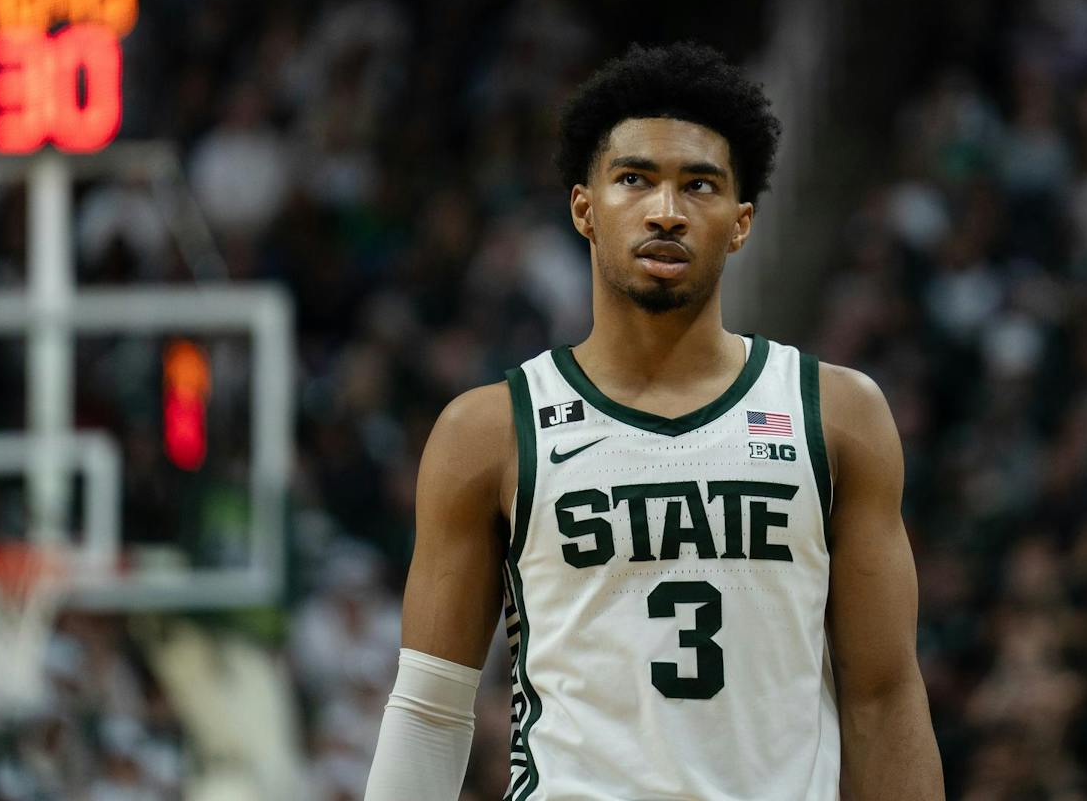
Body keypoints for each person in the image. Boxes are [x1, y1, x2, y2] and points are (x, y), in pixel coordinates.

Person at [364, 42, 944, 800]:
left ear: (741, 223)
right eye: (634, 179)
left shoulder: (837, 414)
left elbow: (884, 699)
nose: (666, 212)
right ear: (585, 208)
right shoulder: (490, 430)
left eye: (698, 185)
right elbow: (430, 712)